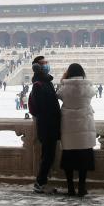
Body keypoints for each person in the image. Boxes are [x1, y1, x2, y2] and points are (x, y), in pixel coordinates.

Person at [56, 63, 97, 197]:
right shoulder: (88, 87)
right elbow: (94, 91)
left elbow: (58, 95)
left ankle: (70, 188)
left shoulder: (64, 89)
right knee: (84, 159)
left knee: (69, 159)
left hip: (69, 127)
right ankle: (81, 187)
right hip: (84, 125)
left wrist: (63, 80)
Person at [28, 56, 61, 193]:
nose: (47, 65)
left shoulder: (46, 82)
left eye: (47, 62)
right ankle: (40, 183)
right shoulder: (39, 85)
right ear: (38, 67)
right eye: (44, 63)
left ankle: (42, 182)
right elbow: (42, 108)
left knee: (48, 156)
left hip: (50, 125)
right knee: (47, 156)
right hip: (47, 126)